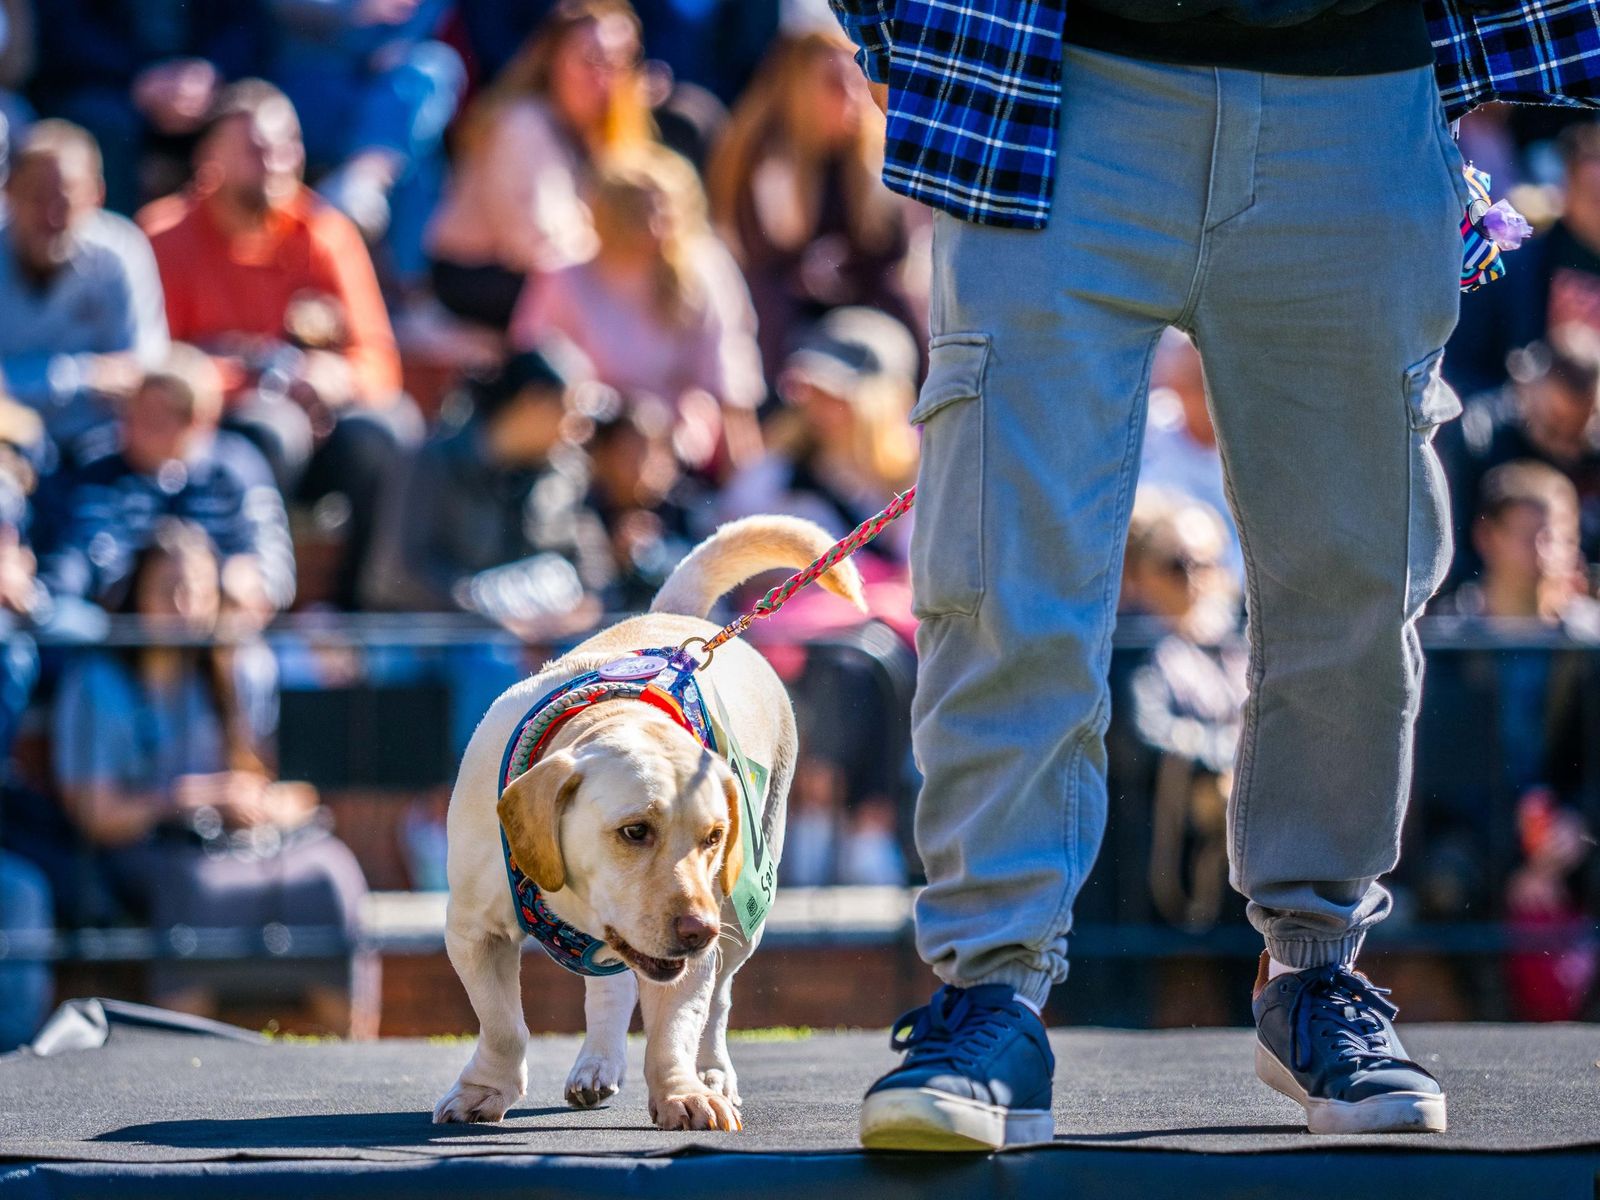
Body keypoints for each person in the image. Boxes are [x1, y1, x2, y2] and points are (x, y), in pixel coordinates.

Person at [826, 0, 1536, 1148]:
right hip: (1049, 73)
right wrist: (890, 35)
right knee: (1006, 575)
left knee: (1356, 590)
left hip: (1355, 90)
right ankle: (989, 994)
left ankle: (1314, 974)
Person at [51, 518, 375, 1035]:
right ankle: (184, 1076)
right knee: (200, 889)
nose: (182, 607)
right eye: (167, 590)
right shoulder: (97, 683)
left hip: (248, 842)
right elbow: (96, 815)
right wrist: (191, 798)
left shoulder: (241, 665)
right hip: (154, 848)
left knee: (331, 872)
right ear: (137, 594)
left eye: (195, 591)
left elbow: (292, 784)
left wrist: (266, 803)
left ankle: (353, 1068)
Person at [137, 79, 414, 610]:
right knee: (269, 428)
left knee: (386, 427)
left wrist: (338, 377)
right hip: (217, 436)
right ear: (209, 156)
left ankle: (354, 613)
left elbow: (380, 364)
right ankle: (259, 608)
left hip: (321, 432)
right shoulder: (163, 236)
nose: (275, 162)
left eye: (287, 146)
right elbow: (154, 371)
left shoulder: (325, 233)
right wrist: (259, 378)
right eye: (255, 149)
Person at [509, 144, 764, 474]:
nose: (653, 226)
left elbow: (730, 380)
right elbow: (534, 364)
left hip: (679, 450)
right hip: (584, 446)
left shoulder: (704, 271)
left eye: (662, 212)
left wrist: (744, 478)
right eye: (637, 213)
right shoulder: (565, 277)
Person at [425, 0, 653, 331]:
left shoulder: (602, 136)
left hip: (550, 276)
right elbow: (536, 246)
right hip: (480, 280)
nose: (604, 78)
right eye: (590, 60)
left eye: (619, 63)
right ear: (552, 60)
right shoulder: (523, 124)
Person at [705, 31, 915, 381]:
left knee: (903, 304)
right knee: (772, 309)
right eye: (834, 84)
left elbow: (892, 254)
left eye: (855, 81)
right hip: (787, 311)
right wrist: (808, 275)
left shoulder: (874, 156)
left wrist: (843, 267)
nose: (851, 97)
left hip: (858, 300)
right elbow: (760, 260)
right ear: (800, 92)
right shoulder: (764, 158)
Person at [360, 347, 614, 629]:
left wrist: (581, 611)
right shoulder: (432, 461)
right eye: (572, 412)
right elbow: (403, 574)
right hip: (437, 641)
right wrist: (497, 619)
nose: (581, 430)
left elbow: (592, 570)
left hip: (543, 638)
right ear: (534, 401)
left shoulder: (566, 473)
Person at [38, 347, 294, 621]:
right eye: (133, 411)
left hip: (217, 635)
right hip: (116, 634)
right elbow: (71, 560)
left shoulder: (236, 468)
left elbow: (273, 564)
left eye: (159, 415)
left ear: (197, 421)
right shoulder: (93, 468)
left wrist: (239, 580)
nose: (136, 425)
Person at [0, 120, 169, 459]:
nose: (51, 216)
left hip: (101, 447)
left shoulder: (121, 251)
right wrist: (84, 375)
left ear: (97, 196)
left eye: (65, 201)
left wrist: (21, 379)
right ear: (8, 192)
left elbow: (144, 373)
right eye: (37, 197)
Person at [264, 0, 465, 279]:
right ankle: (409, 287)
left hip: (383, 90)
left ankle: (364, 178)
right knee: (413, 154)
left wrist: (394, 43)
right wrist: (354, 11)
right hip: (311, 80)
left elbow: (418, 21)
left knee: (433, 69)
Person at [1443, 327, 1600, 589]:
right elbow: (1454, 544)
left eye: (1577, 434)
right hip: (1482, 603)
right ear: (1529, 389)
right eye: (1554, 425)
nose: (1565, 447)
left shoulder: (1591, 458)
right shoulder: (1479, 436)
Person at [1138, 330, 1243, 583]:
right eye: (1194, 382)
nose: (1206, 394)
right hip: (1158, 596)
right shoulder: (1147, 434)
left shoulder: (1256, 445)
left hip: (1244, 598)